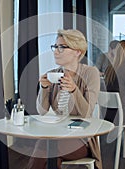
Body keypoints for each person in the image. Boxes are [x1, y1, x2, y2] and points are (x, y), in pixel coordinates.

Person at [28, 29, 101, 169]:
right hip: (57, 133)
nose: (55, 51)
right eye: (55, 47)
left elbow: (86, 113)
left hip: (81, 138)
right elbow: (42, 112)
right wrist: (43, 88)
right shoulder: (53, 74)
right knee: (49, 150)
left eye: (61, 47)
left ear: (77, 52)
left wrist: (74, 90)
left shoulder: (90, 73)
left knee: (47, 145)